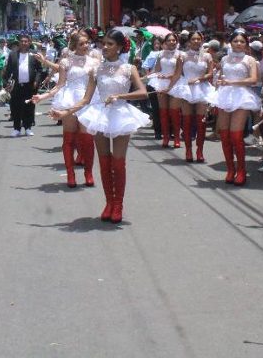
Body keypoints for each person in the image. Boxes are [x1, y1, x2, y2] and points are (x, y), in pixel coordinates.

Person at [76, 29, 150, 222]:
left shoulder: (129, 68)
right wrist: (64, 112)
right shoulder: (96, 70)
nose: (105, 47)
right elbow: (86, 99)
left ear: (119, 47)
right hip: (100, 114)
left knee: (118, 162)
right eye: (104, 43)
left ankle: (118, 204)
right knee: (104, 162)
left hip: (121, 115)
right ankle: (109, 203)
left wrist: (120, 96)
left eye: (110, 44)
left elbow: (143, 93)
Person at [32, 33, 98, 187]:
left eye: (87, 43)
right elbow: (60, 85)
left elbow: (100, 81)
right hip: (69, 99)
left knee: (87, 139)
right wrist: (42, 96)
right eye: (81, 44)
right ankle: (70, 174)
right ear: (74, 46)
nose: (85, 46)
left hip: (89, 99)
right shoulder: (66, 62)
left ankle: (88, 172)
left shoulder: (95, 62)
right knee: (69, 139)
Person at [207, 30, 262, 185]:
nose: (238, 44)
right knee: (224, 135)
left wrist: (232, 82)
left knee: (236, 135)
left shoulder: (250, 60)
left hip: (241, 96)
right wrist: (214, 96)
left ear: (246, 44)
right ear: (230, 43)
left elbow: (253, 80)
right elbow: (220, 78)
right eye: (235, 41)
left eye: (242, 41)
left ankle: (241, 170)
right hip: (224, 96)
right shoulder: (224, 59)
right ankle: (230, 169)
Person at [166, 31, 214, 162]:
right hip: (187, 89)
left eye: (199, 39)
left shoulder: (207, 56)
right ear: (189, 41)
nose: (196, 41)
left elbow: (210, 74)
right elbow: (177, 74)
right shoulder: (182, 55)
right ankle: (188, 150)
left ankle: (200, 151)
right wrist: (168, 88)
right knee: (187, 120)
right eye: (193, 39)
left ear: (202, 40)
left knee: (201, 122)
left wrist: (199, 79)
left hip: (202, 89)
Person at [147, 33, 184, 148]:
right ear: (165, 42)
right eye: (169, 40)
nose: (172, 42)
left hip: (176, 83)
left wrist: (168, 77)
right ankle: (166, 138)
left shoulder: (180, 54)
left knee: (174, 112)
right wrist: (150, 75)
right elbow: (157, 69)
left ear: (177, 42)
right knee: (163, 112)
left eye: (174, 40)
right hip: (161, 83)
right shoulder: (160, 54)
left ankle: (176, 137)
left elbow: (179, 72)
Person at [3, 34, 43, 137]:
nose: (24, 43)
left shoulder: (34, 54)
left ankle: (28, 127)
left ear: (29, 43)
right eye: (22, 41)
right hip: (16, 85)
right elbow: (8, 70)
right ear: (19, 43)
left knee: (29, 107)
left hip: (30, 86)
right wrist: (5, 83)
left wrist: (37, 81)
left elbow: (39, 70)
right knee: (15, 107)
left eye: (26, 41)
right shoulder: (12, 55)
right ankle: (16, 128)